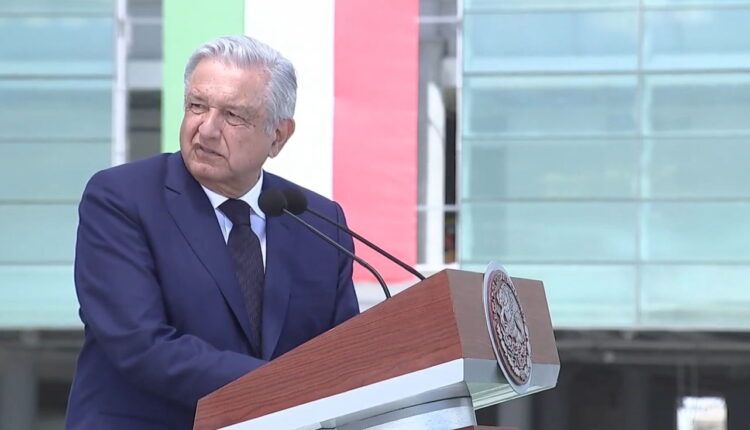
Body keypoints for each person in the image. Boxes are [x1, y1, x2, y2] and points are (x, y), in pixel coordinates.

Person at [65, 35, 359, 429]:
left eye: (233, 115)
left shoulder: (318, 221)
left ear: (278, 135)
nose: (206, 130)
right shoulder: (122, 198)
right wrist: (285, 385)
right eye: (197, 106)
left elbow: (343, 355)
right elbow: (141, 344)